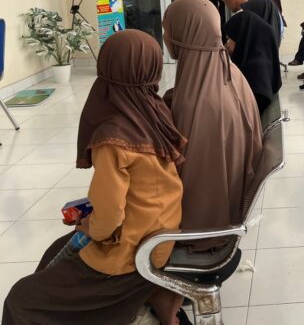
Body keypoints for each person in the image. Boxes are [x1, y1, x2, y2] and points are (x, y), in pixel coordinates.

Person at [2, 30, 186, 325]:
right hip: (157, 240)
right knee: (54, 252)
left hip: (128, 258)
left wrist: (90, 225)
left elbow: (109, 218)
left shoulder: (114, 136)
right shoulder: (155, 111)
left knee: (21, 299)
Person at [158, 0, 264, 320]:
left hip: (204, 226)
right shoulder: (224, 70)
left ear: (185, 35)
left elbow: (183, 172)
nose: (165, 38)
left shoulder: (200, 103)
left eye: (168, 31)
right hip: (228, 207)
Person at [223, 8, 282, 114]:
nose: (226, 43)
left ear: (242, 37)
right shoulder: (258, 59)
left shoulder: (255, 70)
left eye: (230, 37)